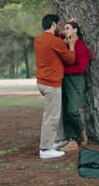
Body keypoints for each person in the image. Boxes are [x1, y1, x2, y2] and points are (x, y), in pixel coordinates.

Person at [34, 14, 77, 159]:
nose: (60, 28)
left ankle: (50, 143)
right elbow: (71, 60)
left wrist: (67, 28)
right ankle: (45, 150)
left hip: (41, 83)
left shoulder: (38, 40)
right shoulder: (55, 42)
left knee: (53, 115)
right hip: (52, 84)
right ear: (53, 24)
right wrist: (71, 45)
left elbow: (55, 39)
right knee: (51, 117)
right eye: (58, 25)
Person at [59, 20, 90, 152]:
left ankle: (82, 133)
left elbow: (81, 68)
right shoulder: (67, 44)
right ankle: (71, 139)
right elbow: (57, 36)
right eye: (64, 29)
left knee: (73, 110)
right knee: (65, 111)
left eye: (68, 28)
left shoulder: (80, 46)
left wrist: (63, 71)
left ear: (76, 30)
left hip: (76, 81)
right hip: (65, 81)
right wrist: (66, 30)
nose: (65, 31)